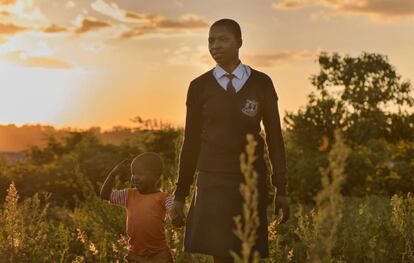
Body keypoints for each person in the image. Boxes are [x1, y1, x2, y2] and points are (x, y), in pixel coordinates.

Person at [170, 18, 290, 263]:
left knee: (247, 255)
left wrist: (282, 189)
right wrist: (180, 195)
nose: (215, 45)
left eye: (223, 39)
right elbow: (190, 142)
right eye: (211, 41)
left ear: (240, 42)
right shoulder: (199, 86)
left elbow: (275, 139)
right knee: (221, 257)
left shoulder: (261, 83)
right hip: (212, 180)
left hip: (249, 181)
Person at [100, 153, 174, 263]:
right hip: (135, 255)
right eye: (133, 174)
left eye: (140, 174)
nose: (135, 178)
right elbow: (105, 195)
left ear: (155, 176)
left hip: (159, 256)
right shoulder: (129, 195)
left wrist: (176, 216)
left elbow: (173, 210)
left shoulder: (163, 198)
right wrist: (112, 174)